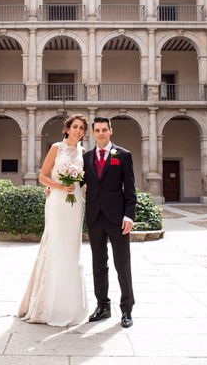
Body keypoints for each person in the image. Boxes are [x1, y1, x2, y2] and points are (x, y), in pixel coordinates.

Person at [18, 114, 89, 326]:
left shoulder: (83, 152)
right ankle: (47, 304)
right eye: (75, 127)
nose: (78, 131)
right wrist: (57, 186)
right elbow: (42, 176)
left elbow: (85, 180)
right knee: (56, 245)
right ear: (67, 129)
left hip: (75, 202)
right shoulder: (56, 148)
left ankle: (70, 305)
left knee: (72, 249)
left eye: (82, 128)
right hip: (57, 201)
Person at [83, 116, 136, 328]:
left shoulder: (123, 155)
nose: (101, 133)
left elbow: (130, 190)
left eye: (105, 130)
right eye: (97, 130)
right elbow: (77, 183)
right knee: (98, 265)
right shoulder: (86, 157)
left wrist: (129, 216)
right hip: (95, 218)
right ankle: (103, 306)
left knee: (122, 264)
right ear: (93, 133)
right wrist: (54, 187)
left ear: (110, 131)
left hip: (117, 219)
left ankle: (126, 309)